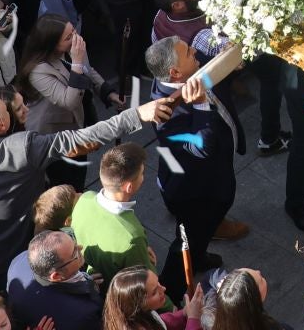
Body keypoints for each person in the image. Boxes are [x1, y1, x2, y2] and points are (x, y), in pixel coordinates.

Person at [0, 88, 177, 285]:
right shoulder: (24, 147)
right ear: (3, 122)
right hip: (24, 258)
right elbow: (83, 138)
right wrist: (138, 115)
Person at [142, 35, 245, 298]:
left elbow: (214, 73)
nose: (196, 53)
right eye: (189, 52)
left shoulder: (190, 74)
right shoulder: (165, 111)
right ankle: (172, 291)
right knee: (186, 242)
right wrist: (200, 105)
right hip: (195, 192)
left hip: (214, 177)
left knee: (199, 235)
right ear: (175, 72)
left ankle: (198, 257)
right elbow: (200, 147)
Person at [69, 142, 155, 282]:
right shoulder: (132, 236)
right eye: (141, 174)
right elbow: (145, 283)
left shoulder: (84, 199)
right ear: (129, 187)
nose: (143, 177)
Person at [101, 264, 205, 330]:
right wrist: (194, 319)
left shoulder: (138, 316)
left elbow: (159, 321)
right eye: (155, 292)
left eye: (159, 283)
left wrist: (183, 313)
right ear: (138, 304)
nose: (163, 289)